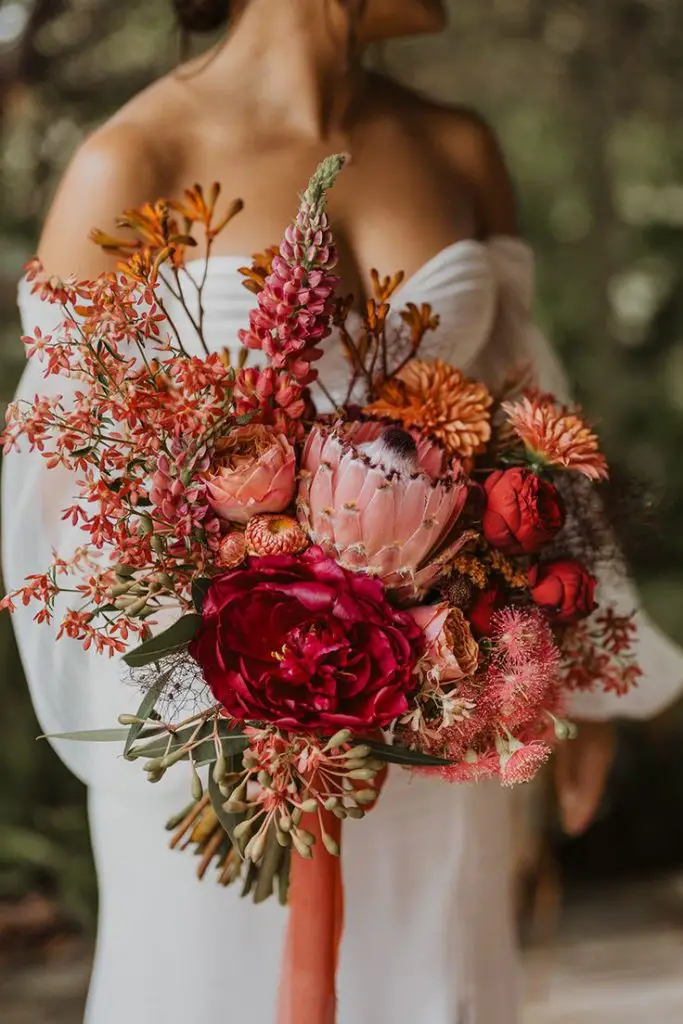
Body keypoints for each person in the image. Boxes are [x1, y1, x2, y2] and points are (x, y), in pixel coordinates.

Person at [4, 2, 683, 1021]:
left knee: (427, 985)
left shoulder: (455, 144)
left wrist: (572, 679)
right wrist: (237, 683)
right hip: (227, 733)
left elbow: (528, 416)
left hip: (441, 713)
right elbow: (59, 479)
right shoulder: (131, 158)